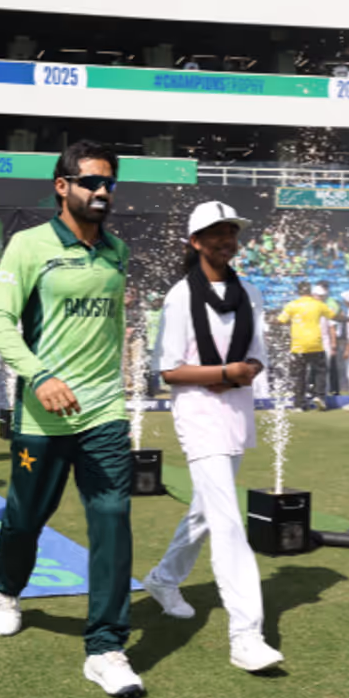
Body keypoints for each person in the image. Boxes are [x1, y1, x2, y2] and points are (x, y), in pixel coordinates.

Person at [0, 140, 143, 698]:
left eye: (109, 184)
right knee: (26, 518)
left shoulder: (118, 251)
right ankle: (6, 589)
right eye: (91, 182)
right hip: (40, 418)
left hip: (104, 415)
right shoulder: (28, 246)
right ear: (62, 186)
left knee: (112, 522)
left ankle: (105, 647)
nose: (101, 192)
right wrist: (40, 375)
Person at [142, 200, 284, 673]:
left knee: (206, 510)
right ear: (195, 242)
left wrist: (245, 372)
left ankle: (163, 579)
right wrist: (223, 371)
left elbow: (258, 355)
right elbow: (168, 369)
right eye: (215, 232)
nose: (226, 240)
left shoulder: (251, 293)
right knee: (226, 521)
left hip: (236, 412)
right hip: (199, 413)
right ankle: (245, 634)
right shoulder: (181, 296)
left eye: (231, 232)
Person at [277, 281, 334, 411]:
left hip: (298, 345)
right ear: (310, 291)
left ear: (298, 292)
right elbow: (334, 315)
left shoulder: (292, 305)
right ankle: (319, 396)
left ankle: (299, 403)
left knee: (299, 375)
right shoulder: (318, 304)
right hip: (315, 344)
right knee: (320, 371)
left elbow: (281, 320)